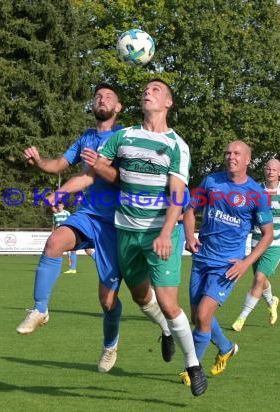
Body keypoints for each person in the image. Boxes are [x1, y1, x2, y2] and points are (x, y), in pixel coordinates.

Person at [82, 78, 207, 396]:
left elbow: (178, 195)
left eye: (156, 90)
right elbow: (107, 173)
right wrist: (103, 167)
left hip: (160, 235)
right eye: (146, 89)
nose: (148, 92)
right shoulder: (123, 136)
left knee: (168, 302)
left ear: (168, 103)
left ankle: (193, 366)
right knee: (140, 298)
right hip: (126, 232)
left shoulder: (177, 145)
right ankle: (166, 331)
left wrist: (167, 233)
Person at [15, 83, 125, 373]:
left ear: (119, 107)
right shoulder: (86, 137)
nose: (102, 100)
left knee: (107, 299)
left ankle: (110, 344)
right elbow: (60, 164)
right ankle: (40, 309)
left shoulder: (125, 138)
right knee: (54, 243)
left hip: (116, 223)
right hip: (87, 213)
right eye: (98, 96)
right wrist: (40, 162)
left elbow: (122, 179)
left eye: (109, 97)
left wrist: (78, 182)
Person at [180, 141, 274, 385]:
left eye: (236, 153)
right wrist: (190, 236)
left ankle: (193, 369)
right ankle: (226, 348)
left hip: (227, 265)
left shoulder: (256, 194)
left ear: (247, 160)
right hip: (201, 258)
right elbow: (190, 209)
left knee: (203, 314)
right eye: (228, 152)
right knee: (198, 318)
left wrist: (245, 263)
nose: (230, 156)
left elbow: (268, 234)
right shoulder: (211, 182)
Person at [231, 158, 280, 332]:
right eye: (268, 169)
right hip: (257, 241)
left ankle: (241, 318)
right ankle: (272, 302)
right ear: (264, 170)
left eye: (274, 169)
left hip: (276, 242)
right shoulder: (256, 190)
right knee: (261, 279)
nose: (271, 172)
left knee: (258, 278)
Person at [52, 203, 78, 274]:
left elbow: (72, 222)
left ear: (63, 206)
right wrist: (52, 233)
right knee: (57, 250)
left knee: (73, 249)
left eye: (60, 205)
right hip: (58, 234)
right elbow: (54, 225)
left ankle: (73, 268)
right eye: (58, 205)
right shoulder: (55, 215)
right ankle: (55, 268)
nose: (59, 206)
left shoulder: (67, 213)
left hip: (67, 233)